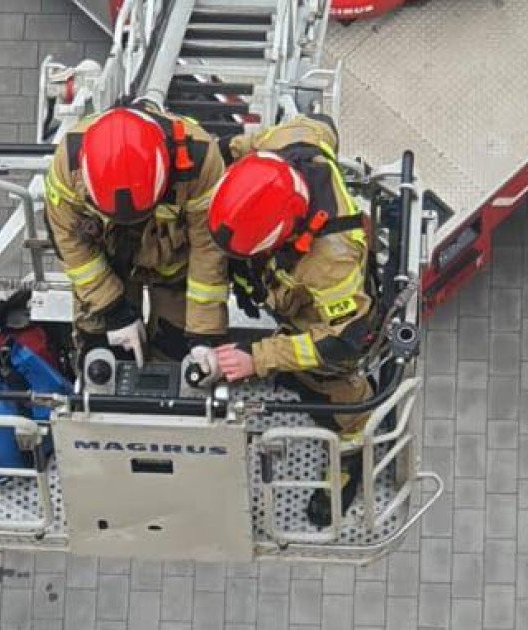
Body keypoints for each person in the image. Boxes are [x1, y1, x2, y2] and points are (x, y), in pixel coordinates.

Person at [208, 114, 374, 526]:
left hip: (324, 325)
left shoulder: (330, 262)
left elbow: (343, 340)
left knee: (344, 397)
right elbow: (322, 124)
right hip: (282, 288)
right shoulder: (290, 141)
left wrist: (259, 357)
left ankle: (347, 464)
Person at [43, 104, 229, 377]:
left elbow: (208, 250)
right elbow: (71, 245)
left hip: (174, 268)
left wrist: (203, 334)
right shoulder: (67, 166)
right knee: (101, 355)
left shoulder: (200, 162)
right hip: (106, 264)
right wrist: (112, 310)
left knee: (178, 354)